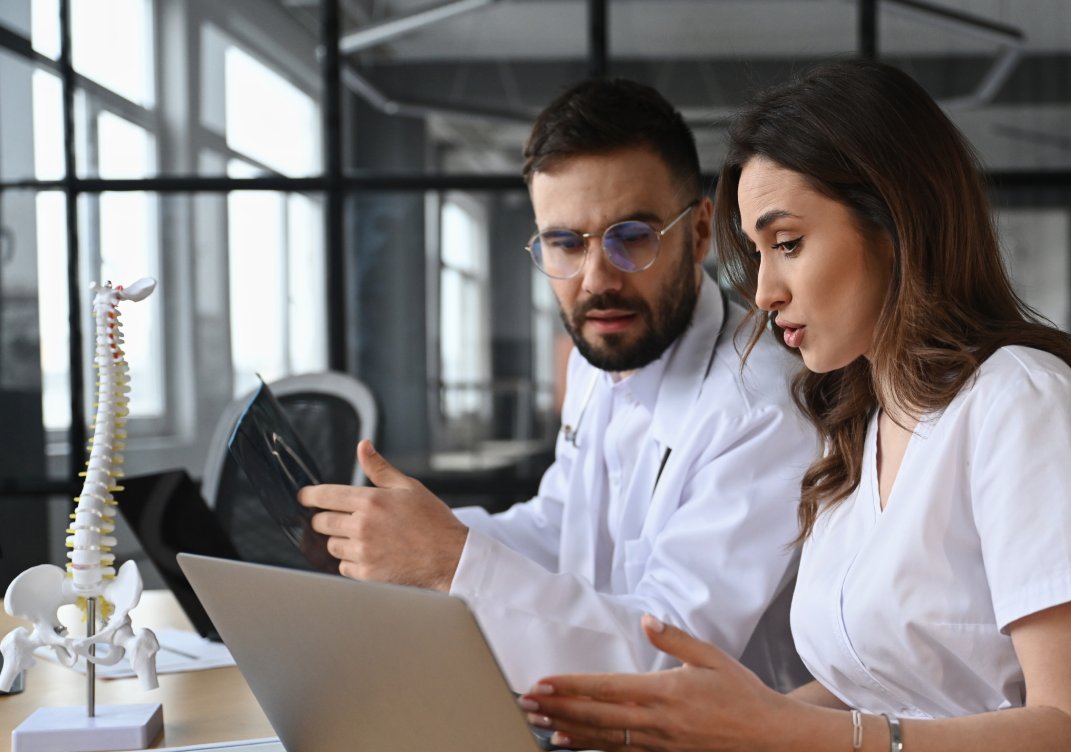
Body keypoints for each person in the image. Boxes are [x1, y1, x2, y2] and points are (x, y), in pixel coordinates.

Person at [516, 61, 1071, 752]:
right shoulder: (861, 421)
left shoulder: (1023, 404)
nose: (763, 291)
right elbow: (898, 676)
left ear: (894, 220)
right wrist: (710, 730)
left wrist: (784, 738)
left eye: (788, 243)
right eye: (756, 254)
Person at [299, 77, 814, 692]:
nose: (597, 279)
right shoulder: (601, 355)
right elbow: (557, 527)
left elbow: (673, 656)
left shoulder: (762, 407)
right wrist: (414, 534)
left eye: (632, 238)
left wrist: (448, 560)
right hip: (593, 729)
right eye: (564, 243)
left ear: (699, 232)